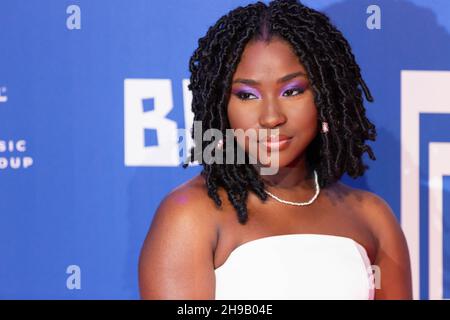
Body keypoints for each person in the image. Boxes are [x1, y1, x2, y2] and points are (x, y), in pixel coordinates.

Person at [138, 0, 413, 299]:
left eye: (292, 91)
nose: (271, 117)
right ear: (221, 105)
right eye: (247, 95)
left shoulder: (373, 217)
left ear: (325, 96)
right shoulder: (189, 216)